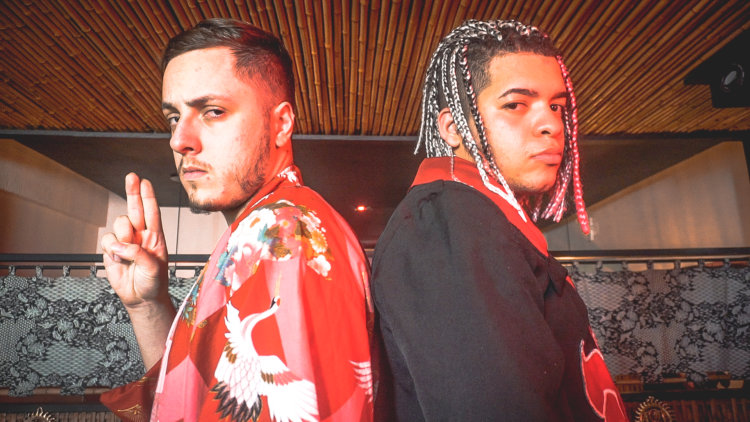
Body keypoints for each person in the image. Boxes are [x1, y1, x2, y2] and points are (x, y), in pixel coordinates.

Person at [100, 18, 374, 422]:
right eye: (174, 117)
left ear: (280, 124)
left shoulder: (282, 233)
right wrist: (146, 304)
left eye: (212, 111)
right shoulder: (257, 228)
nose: (179, 140)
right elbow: (192, 396)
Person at [371, 19, 628, 421]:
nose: (551, 124)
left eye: (557, 106)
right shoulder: (446, 223)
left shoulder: (480, 218)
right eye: (515, 105)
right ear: (453, 128)